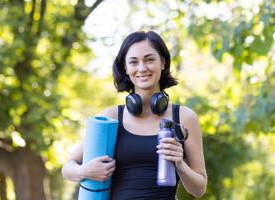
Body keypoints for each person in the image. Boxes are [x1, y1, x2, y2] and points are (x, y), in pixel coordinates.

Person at [61, 31, 207, 199]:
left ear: (163, 63)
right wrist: (85, 171)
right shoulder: (111, 117)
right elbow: (68, 167)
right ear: (126, 68)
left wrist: (180, 164)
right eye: (133, 62)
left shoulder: (184, 117)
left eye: (149, 59)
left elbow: (199, 189)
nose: (142, 68)